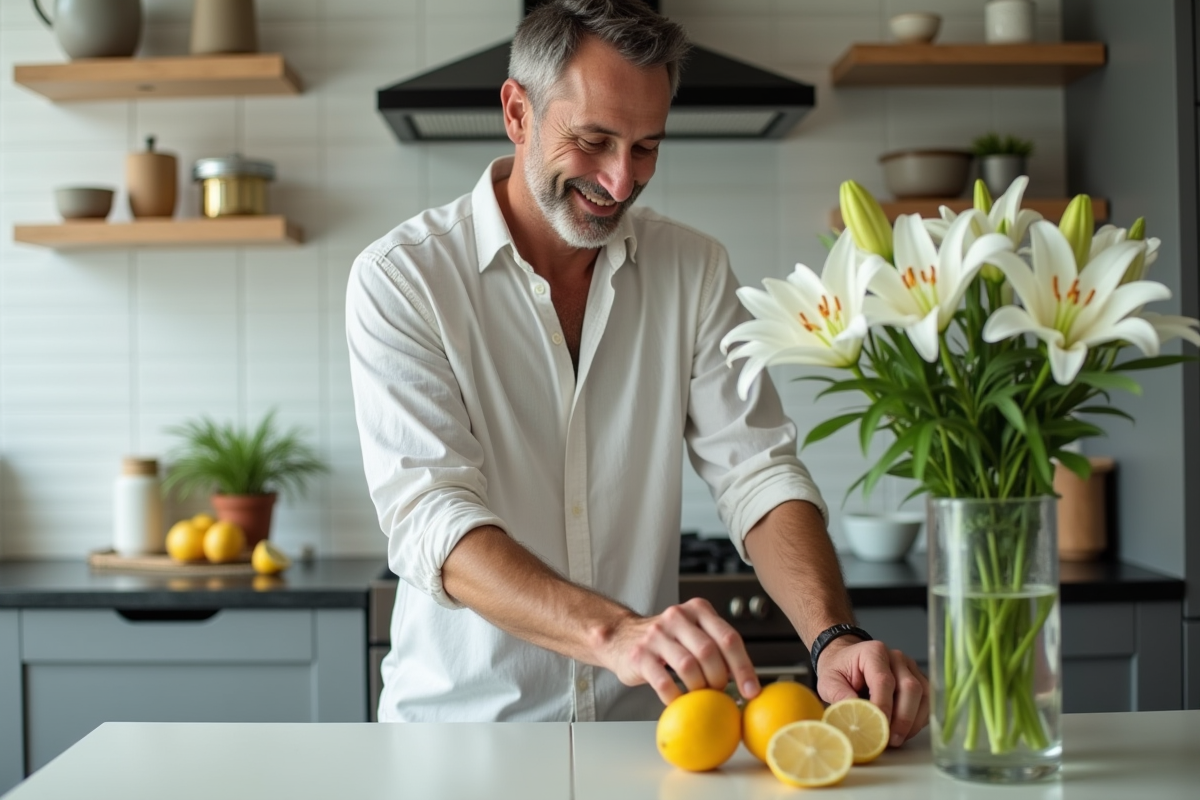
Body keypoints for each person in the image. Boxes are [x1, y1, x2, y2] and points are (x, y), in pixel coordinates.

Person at [346, 0, 929, 746]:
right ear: (518, 112)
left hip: (646, 742)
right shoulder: (404, 278)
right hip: (461, 740)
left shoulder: (693, 269)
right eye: (593, 141)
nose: (621, 181)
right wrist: (613, 632)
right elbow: (433, 516)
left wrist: (833, 636)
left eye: (646, 147)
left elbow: (757, 470)